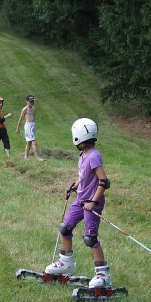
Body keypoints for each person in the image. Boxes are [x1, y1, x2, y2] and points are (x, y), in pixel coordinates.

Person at [45, 118, 113, 288]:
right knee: (65, 228)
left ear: (79, 137)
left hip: (92, 203)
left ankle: (102, 275)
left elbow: (104, 182)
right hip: (80, 200)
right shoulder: (82, 155)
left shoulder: (94, 156)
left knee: (90, 238)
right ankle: (66, 263)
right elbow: (83, 177)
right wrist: (73, 187)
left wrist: (93, 201)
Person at [15, 94, 44, 160]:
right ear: (27, 101)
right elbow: (21, 119)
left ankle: (26, 157)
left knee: (29, 142)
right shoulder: (25, 109)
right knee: (34, 142)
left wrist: (34, 126)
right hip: (28, 126)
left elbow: (33, 117)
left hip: (32, 125)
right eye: (30, 101)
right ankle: (37, 157)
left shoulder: (34, 109)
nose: (32, 103)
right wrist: (18, 128)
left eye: (33, 101)